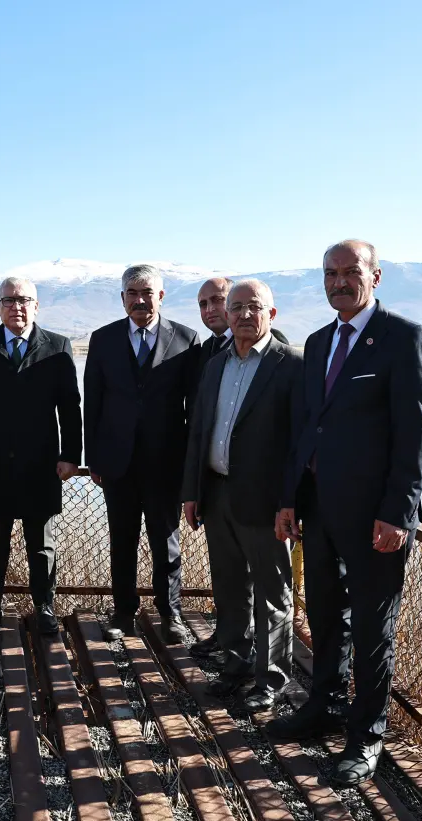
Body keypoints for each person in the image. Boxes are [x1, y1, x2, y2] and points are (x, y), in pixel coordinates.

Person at [270, 239, 422, 787]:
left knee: (372, 627)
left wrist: (398, 513)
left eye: (350, 272)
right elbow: (306, 428)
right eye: (330, 273)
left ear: (375, 276)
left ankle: (366, 736)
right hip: (319, 511)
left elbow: (414, 436)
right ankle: (323, 707)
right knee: (324, 615)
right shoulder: (319, 342)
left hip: (375, 519)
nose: (339, 282)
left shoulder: (404, 339)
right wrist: (289, 498)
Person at [181, 279, 302, 711]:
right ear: (227, 316)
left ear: (272, 313)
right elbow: (199, 431)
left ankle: (271, 680)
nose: (244, 315)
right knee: (230, 588)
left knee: (272, 594)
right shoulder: (216, 364)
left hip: (266, 502)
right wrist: (192, 492)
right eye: (236, 308)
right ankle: (235, 665)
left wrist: (290, 502)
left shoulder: (291, 364)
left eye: (254, 307)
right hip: (217, 494)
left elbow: (299, 443)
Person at [0, 277, 82, 635]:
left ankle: (44, 607)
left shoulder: (58, 346)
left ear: (36, 306)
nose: (17, 306)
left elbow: (70, 408)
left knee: (41, 543)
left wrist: (71, 455)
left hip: (41, 463)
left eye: (24, 300)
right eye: (8, 301)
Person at [84, 264, 201, 643]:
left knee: (166, 543)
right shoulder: (103, 339)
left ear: (160, 296)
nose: (139, 300)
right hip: (117, 463)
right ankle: (123, 613)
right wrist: (94, 457)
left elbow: (194, 409)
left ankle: (171, 614)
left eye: (146, 293)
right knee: (122, 541)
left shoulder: (186, 339)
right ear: (122, 298)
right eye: (132, 294)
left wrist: (189, 466)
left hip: (165, 464)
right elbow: (93, 403)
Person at [197, 275, 288, 372]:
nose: (209, 309)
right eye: (203, 304)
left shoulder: (270, 339)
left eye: (217, 300)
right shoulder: (205, 348)